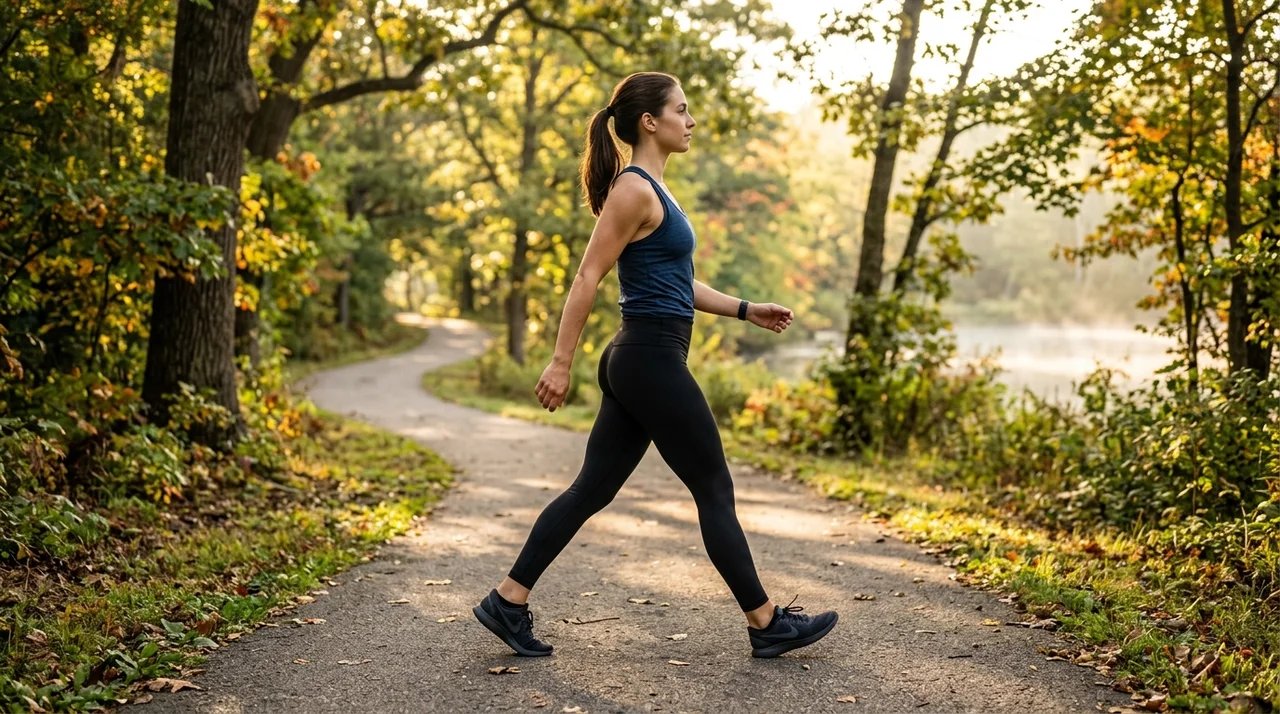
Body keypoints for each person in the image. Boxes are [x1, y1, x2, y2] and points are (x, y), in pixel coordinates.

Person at [472, 71, 838, 659]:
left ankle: (507, 601)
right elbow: (589, 274)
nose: (690, 122)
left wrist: (746, 310)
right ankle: (766, 623)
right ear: (651, 121)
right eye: (682, 110)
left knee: (591, 488)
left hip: (642, 356)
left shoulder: (655, 192)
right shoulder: (634, 190)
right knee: (714, 487)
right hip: (647, 356)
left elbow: (680, 283)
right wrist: (559, 361)